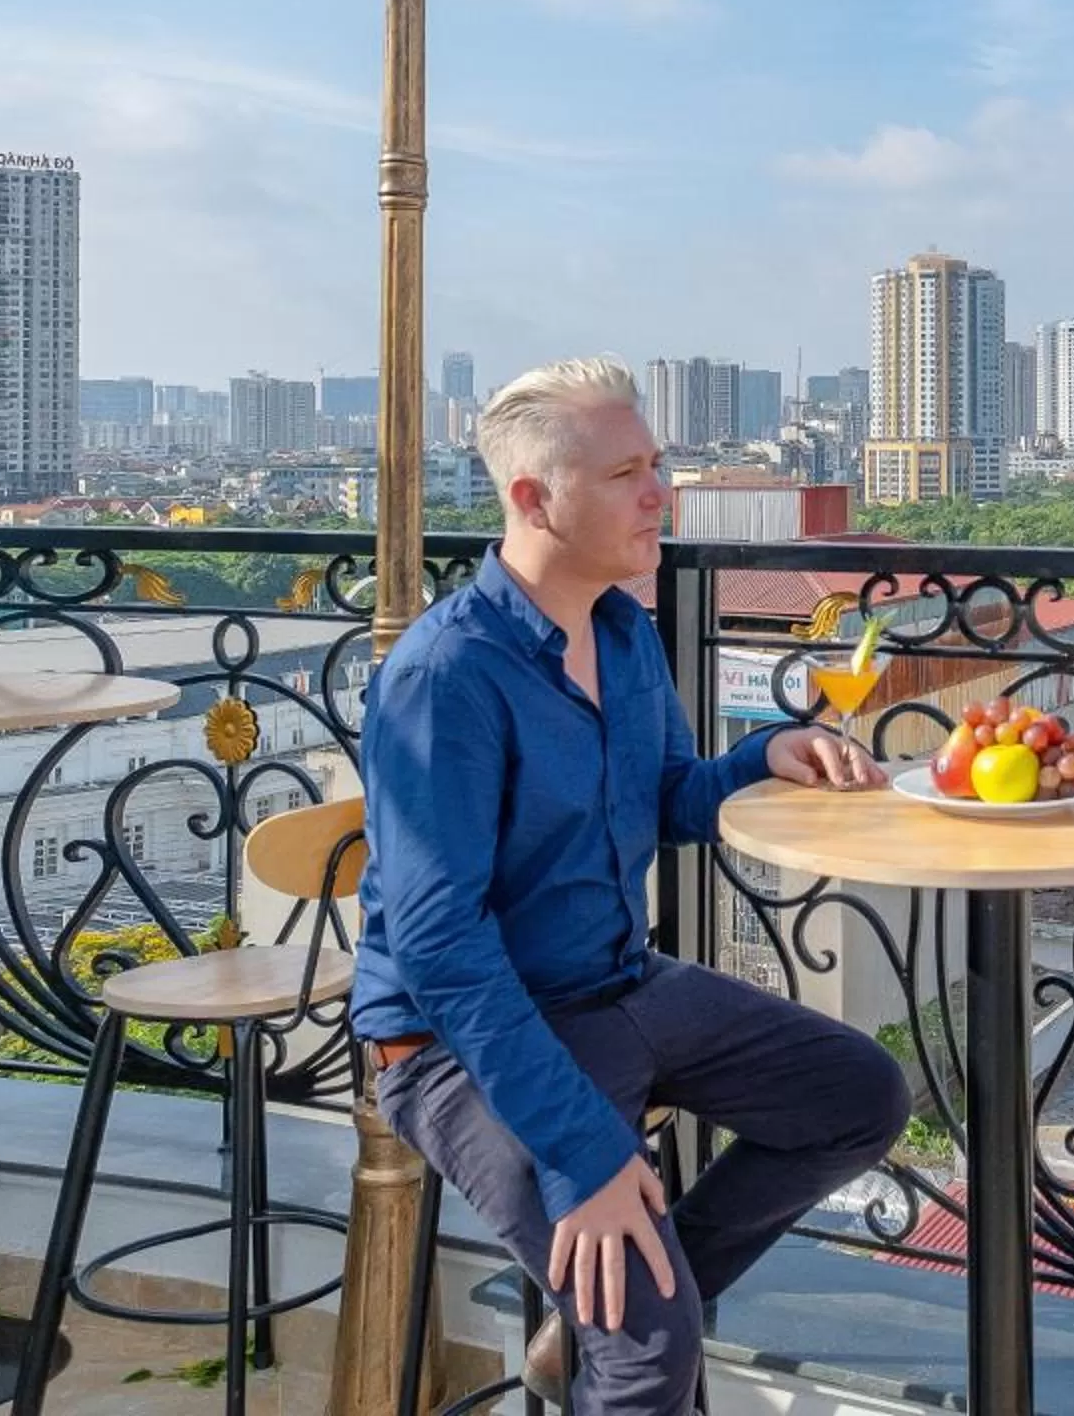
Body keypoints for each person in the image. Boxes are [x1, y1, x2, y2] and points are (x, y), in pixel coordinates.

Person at [351, 357, 911, 1415]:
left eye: (657, 464)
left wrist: (763, 756)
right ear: (533, 497)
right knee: (651, 1343)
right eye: (626, 474)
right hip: (458, 1041)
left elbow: (663, 796)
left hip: (617, 984)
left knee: (858, 1096)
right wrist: (589, 1155)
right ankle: (632, 1319)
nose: (661, 494)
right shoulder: (447, 675)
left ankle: (619, 1309)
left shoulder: (619, 627)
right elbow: (442, 951)